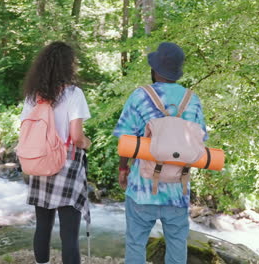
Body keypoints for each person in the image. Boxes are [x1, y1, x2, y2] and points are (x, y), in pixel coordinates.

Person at [113, 42, 208, 263]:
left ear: (155, 69)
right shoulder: (192, 100)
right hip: (178, 188)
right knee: (177, 243)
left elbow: (125, 139)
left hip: (141, 187)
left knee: (136, 243)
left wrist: (123, 168)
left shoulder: (140, 96)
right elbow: (200, 141)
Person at [20, 41, 91, 264]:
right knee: (69, 234)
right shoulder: (73, 93)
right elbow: (77, 136)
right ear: (67, 65)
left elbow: (24, 128)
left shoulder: (33, 95)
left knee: (42, 227)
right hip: (66, 164)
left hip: (39, 162)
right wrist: (87, 143)